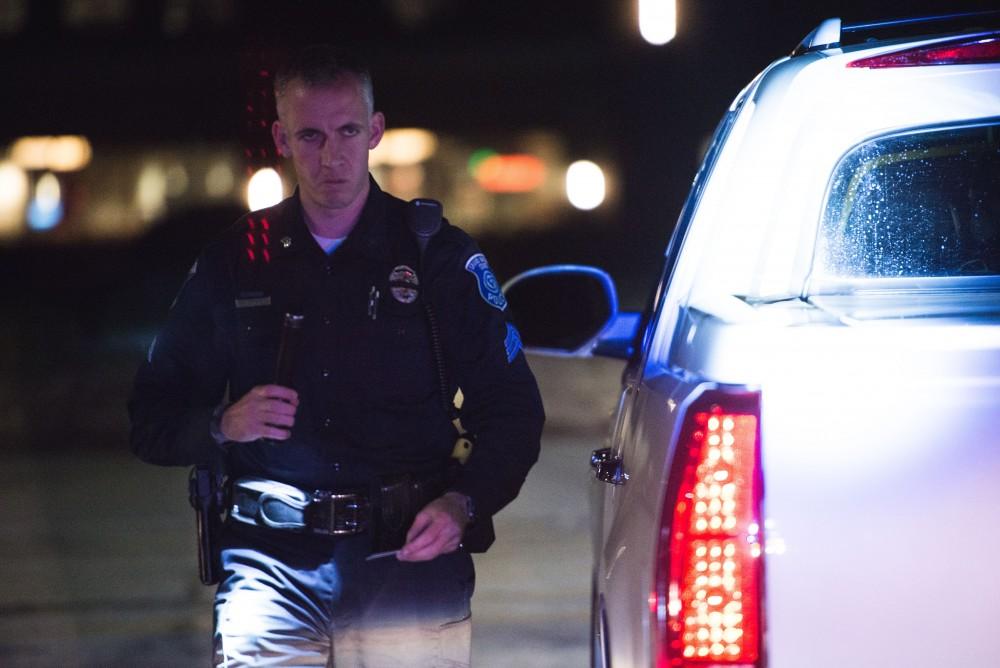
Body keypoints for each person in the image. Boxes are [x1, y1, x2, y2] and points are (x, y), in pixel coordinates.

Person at [128, 44, 544, 667]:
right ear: (281, 138)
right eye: (311, 135)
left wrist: (465, 503)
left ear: (375, 130)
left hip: (406, 563)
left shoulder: (439, 258)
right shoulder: (237, 260)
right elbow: (149, 417)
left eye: (348, 130)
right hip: (268, 566)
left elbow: (513, 409)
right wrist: (220, 425)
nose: (332, 155)